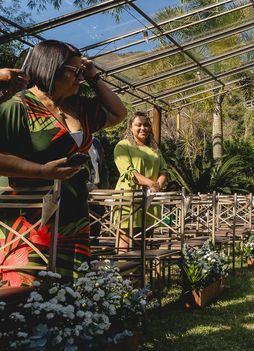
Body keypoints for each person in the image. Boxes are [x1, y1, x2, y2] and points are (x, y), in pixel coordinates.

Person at [0, 40, 126, 286]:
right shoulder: (18, 107)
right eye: (75, 71)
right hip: (31, 217)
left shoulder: (79, 107)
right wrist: (41, 171)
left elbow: (118, 114)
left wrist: (93, 76)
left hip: (73, 212)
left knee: (72, 286)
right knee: (29, 286)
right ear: (51, 67)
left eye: (82, 71)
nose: (79, 78)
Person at [113, 111, 169, 250]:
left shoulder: (154, 148)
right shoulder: (123, 146)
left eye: (146, 125)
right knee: (126, 240)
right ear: (131, 127)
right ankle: (123, 270)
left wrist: (158, 185)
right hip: (128, 199)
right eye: (138, 125)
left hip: (150, 198)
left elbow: (164, 170)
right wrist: (150, 183)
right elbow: (129, 172)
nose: (143, 128)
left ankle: (140, 271)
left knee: (144, 241)